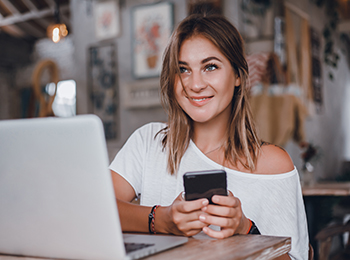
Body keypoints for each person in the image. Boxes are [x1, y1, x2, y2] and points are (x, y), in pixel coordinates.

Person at [110, 13, 309, 260]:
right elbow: (95, 208)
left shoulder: (272, 163)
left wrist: (245, 228)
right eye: (183, 69)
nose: (195, 84)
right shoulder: (149, 142)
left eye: (210, 67)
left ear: (238, 76)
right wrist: (160, 220)